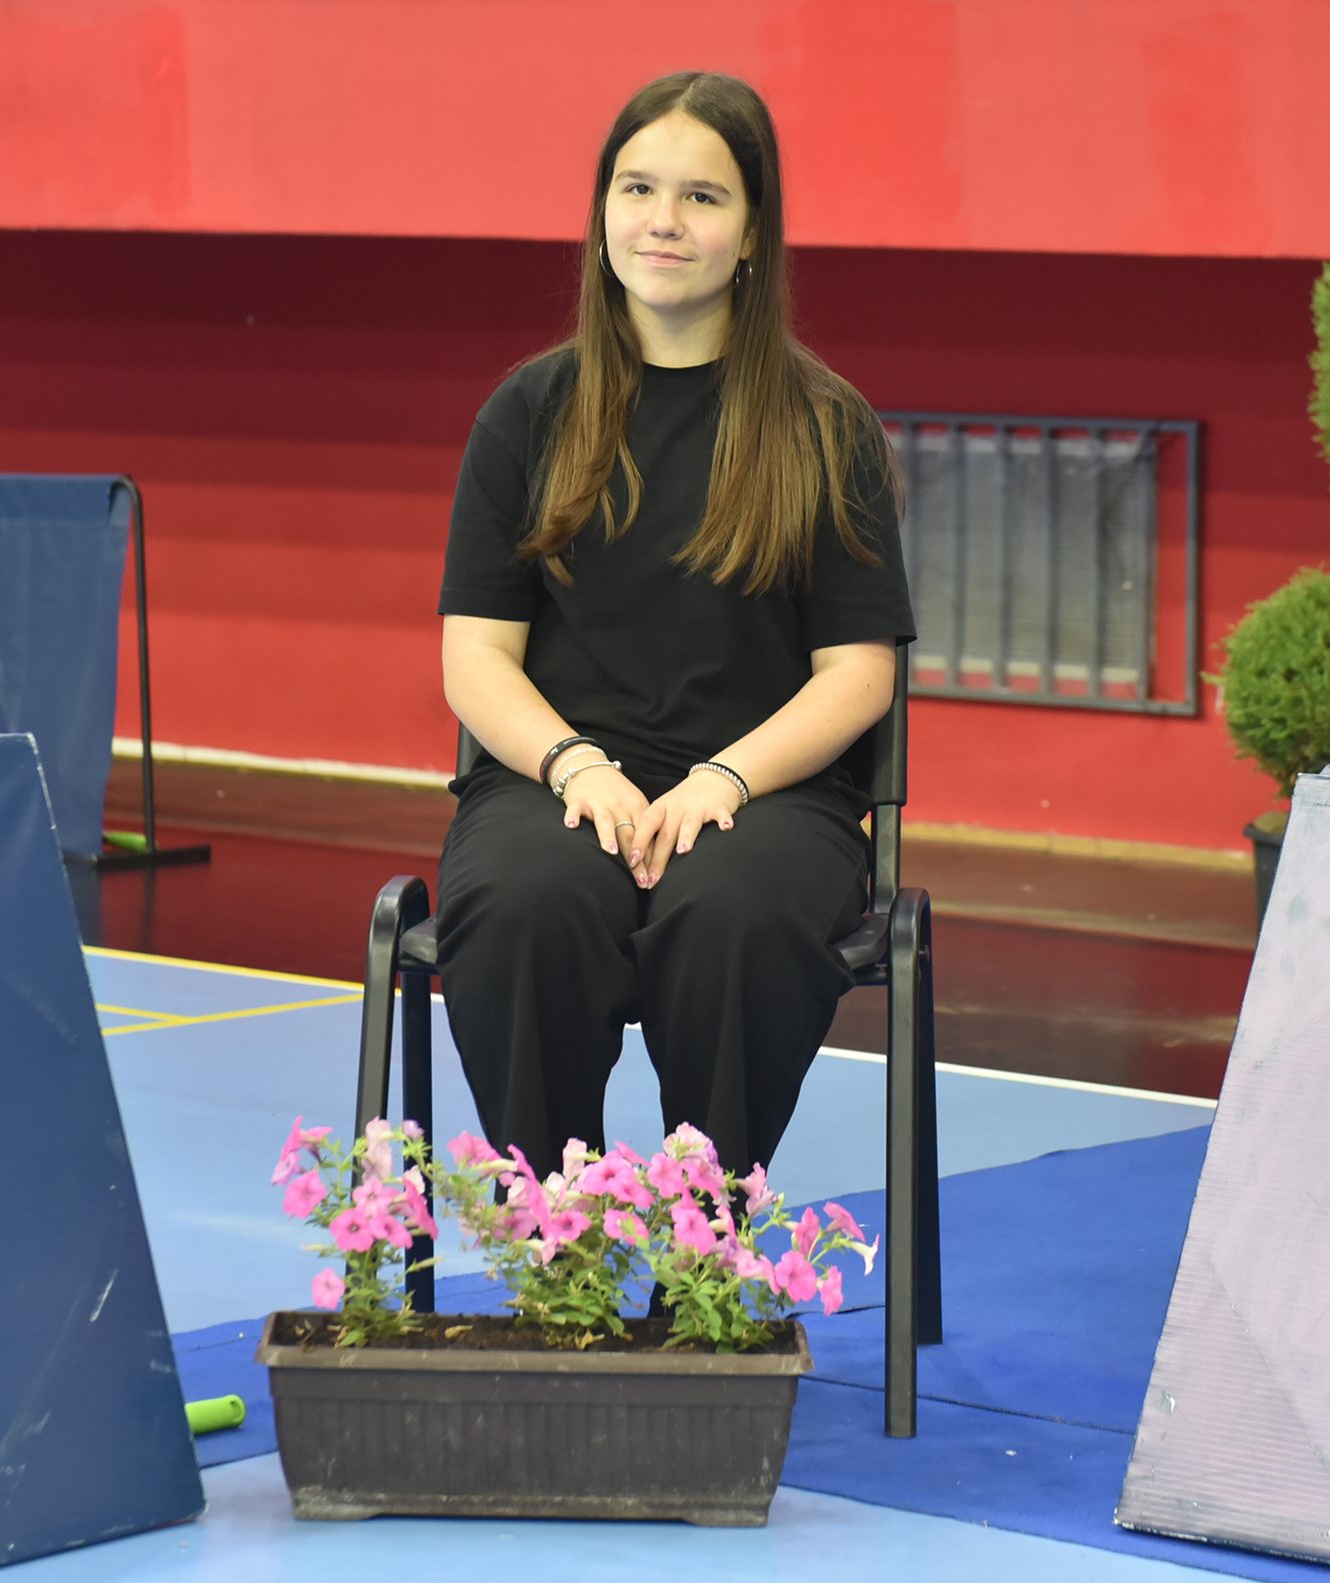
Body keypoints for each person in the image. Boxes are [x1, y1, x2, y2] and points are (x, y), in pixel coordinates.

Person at [434, 70, 914, 1181]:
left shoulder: (824, 425)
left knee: (732, 915)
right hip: (561, 783)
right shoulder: (527, 412)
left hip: (770, 795)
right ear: (602, 210)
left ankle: (709, 1236)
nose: (663, 220)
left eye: (702, 196)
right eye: (637, 188)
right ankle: (556, 1231)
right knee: (524, 902)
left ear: (752, 233)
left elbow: (857, 673)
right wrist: (573, 764)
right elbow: (477, 655)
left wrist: (725, 780)